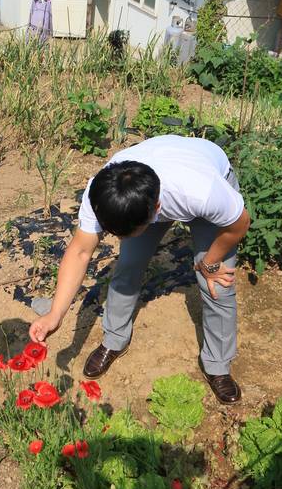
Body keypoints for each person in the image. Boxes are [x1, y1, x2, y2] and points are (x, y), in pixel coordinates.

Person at [29, 135, 250, 405]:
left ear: (156, 211)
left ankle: (218, 365)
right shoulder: (103, 192)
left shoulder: (203, 192)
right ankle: (114, 339)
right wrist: (55, 314)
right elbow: (80, 251)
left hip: (202, 173)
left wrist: (210, 263)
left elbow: (238, 225)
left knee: (216, 284)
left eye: (125, 233)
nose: (119, 240)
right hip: (152, 182)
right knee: (128, 267)